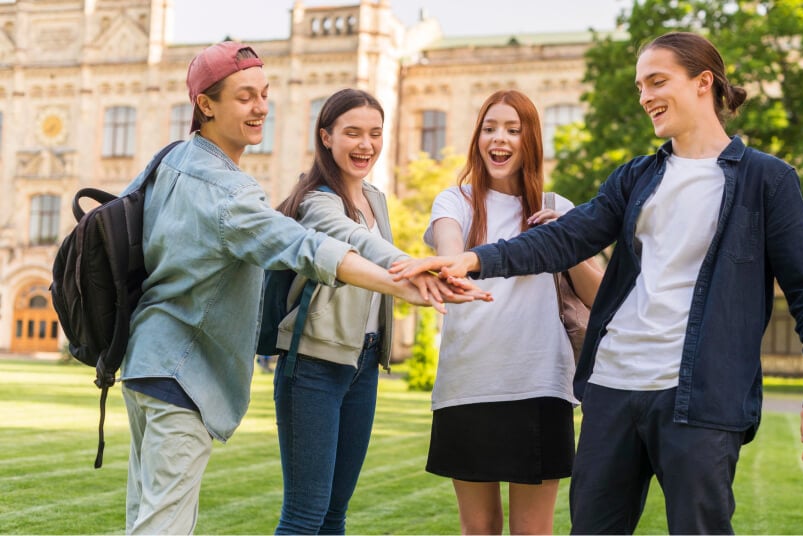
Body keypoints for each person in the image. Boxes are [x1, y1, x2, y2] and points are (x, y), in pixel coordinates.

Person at [391, 32, 803, 534]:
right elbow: (563, 239)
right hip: (612, 387)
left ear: (703, 82)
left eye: (657, 81)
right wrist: (473, 259)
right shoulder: (636, 178)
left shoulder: (767, 181)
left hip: (700, 397)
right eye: (640, 87)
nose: (645, 96)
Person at [118, 42, 486, 535]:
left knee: (150, 519)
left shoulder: (170, 161)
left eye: (264, 94)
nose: (261, 107)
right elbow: (307, 246)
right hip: (181, 369)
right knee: (164, 526)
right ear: (205, 104)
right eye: (245, 97)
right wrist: (401, 281)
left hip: (148, 363)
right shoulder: (232, 193)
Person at [270, 88, 488, 534]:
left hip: (364, 364)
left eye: (375, 133)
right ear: (326, 137)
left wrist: (422, 272)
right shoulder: (315, 201)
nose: (365, 145)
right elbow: (359, 243)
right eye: (352, 133)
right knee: (304, 515)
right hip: (312, 365)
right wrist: (415, 268)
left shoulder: (375, 197)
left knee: (335, 513)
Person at [418, 89, 602, 535]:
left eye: (513, 130)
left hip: (539, 384)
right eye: (489, 128)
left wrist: (566, 240)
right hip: (468, 384)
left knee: (532, 531)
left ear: (530, 140)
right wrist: (453, 266)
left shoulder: (557, 208)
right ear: (478, 138)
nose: (499, 139)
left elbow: (600, 297)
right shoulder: (455, 201)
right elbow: (449, 250)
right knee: (479, 529)